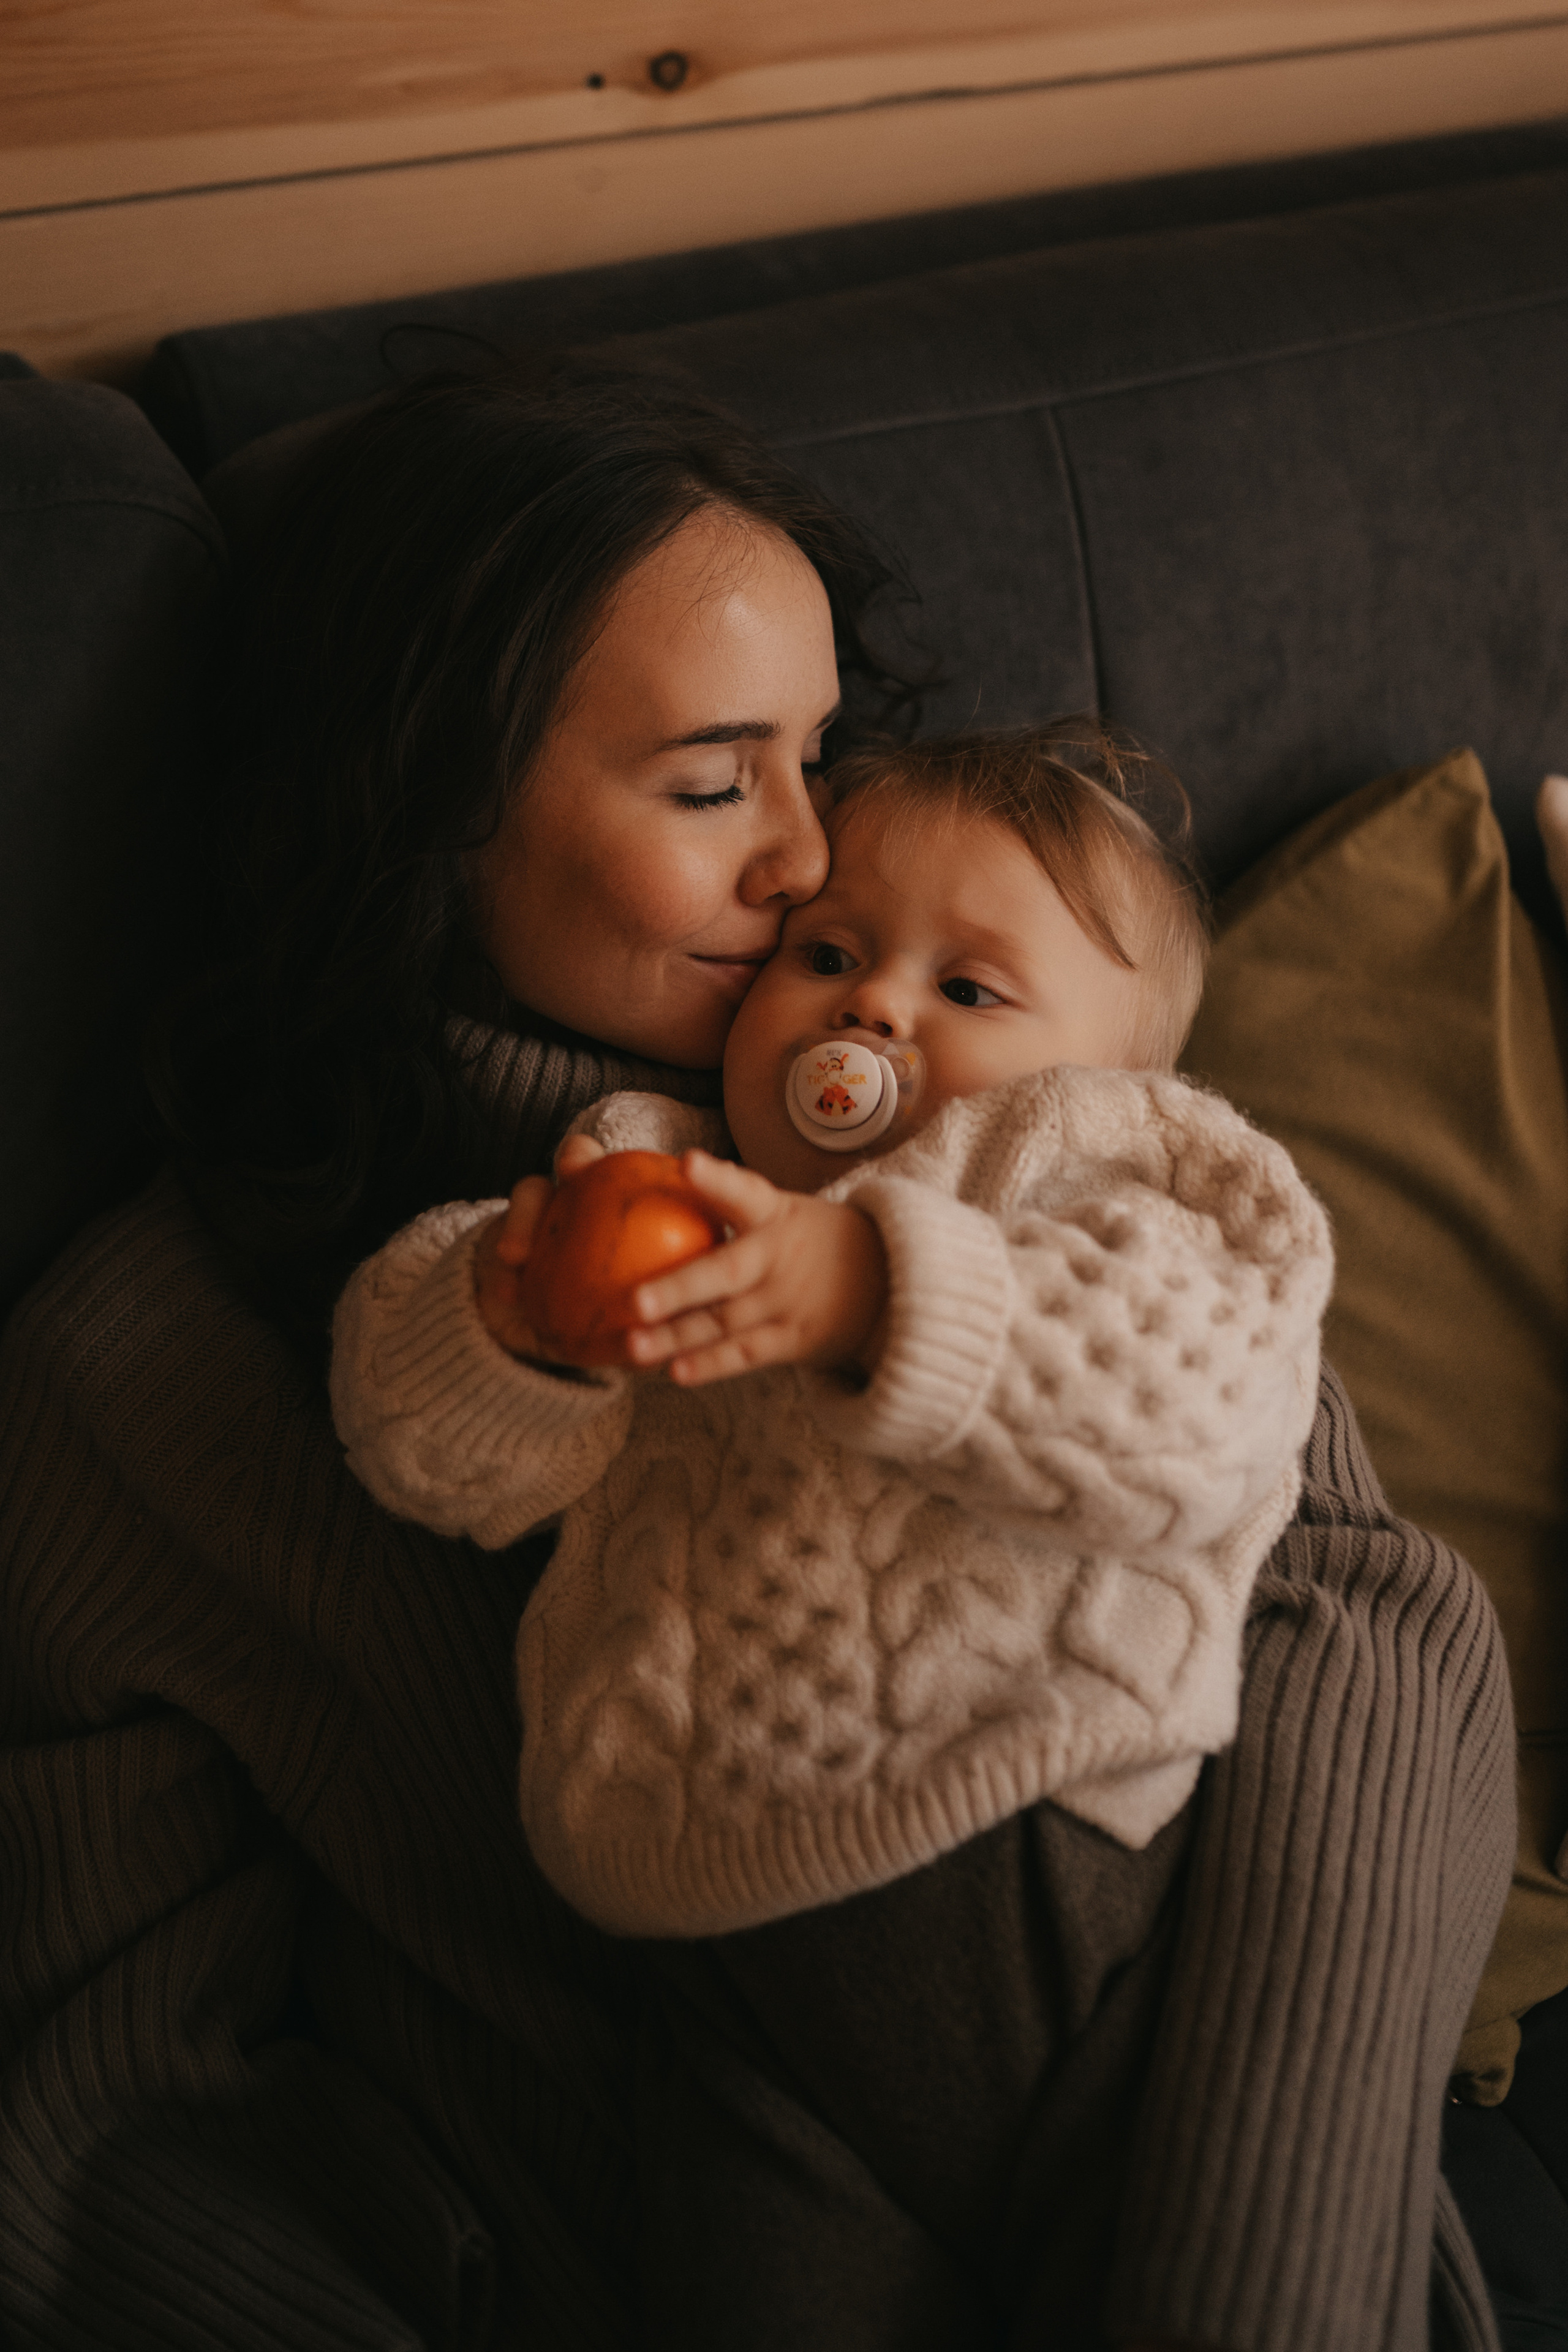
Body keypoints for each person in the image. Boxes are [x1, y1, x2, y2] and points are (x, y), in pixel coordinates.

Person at [0, 363, 1514, 2352]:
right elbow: (109, 2125)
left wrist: (1254, 2250)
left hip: (1221, 2115)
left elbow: (1375, 1613)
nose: (815, 857)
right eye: (716, 784)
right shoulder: (143, 1379)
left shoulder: (990, 1136)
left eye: (820, 751)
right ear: (425, 816)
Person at [331, 726, 1334, 1948]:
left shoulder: (1104, 1172)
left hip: (1034, 1796)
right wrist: (508, 1328)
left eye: (967, 990)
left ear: (1125, 1084)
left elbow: (1207, 1401)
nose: (871, 1003)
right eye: (827, 955)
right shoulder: (652, 1174)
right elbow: (418, 1451)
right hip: (686, 1856)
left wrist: (877, 1293)